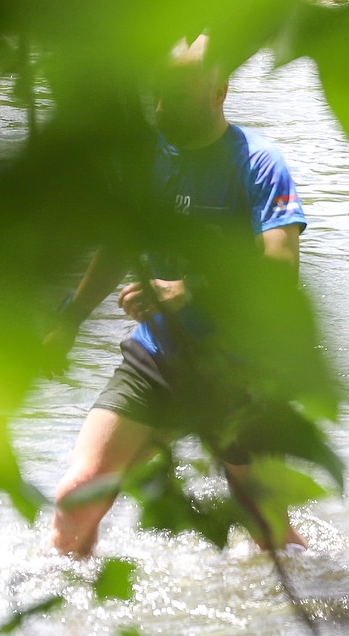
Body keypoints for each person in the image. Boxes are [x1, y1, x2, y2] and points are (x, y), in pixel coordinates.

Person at [50, 36, 308, 557]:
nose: (163, 107)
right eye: (158, 94)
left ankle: (314, 599)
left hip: (240, 366)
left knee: (267, 530)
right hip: (157, 355)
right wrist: (71, 318)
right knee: (76, 496)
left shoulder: (260, 163)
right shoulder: (149, 160)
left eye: (180, 94)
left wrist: (187, 291)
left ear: (219, 92)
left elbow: (281, 272)